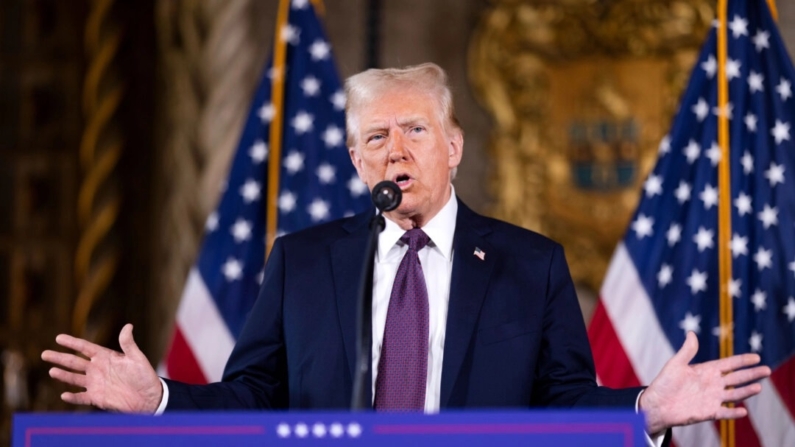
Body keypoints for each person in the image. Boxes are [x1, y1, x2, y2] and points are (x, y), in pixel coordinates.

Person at [42, 63, 769, 442]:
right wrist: (159, 398)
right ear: (358, 163)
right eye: (375, 139)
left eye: (415, 132)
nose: (396, 152)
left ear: (452, 148)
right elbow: (254, 395)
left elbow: (563, 403)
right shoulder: (303, 261)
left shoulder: (529, 263)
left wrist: (646, 409)